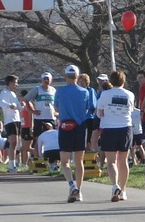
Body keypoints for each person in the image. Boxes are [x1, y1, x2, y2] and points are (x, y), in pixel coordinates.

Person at [56, 64, 96, 202]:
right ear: (78, 76)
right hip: (80, 126)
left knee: (65, 161)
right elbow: (87, 109)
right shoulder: (84, 92)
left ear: (66, 76)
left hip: (65, 126)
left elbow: (56, 107)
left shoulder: (60, 92)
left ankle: (71, 185)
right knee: (79, 160)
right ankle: (79, 190)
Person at [95, 70, 134, 201]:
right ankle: (123, 190)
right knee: (123, 161)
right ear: (124, 81)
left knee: (111, 161)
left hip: (109, 128)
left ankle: (114, 185)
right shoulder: (130, 95)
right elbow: (131, 110)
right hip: (125, 128)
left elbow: (99, 112)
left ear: (110, 81)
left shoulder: (105, 94)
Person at [0, 75, 23, 173]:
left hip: (17, 120)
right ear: (10, 82)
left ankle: (13, 164)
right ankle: (11, 166)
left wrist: (21, 105)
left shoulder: (13, 94)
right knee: (12, 142)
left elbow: (18, 107)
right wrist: (9, 105)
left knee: (16, 143)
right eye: (15, 82)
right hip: (10, 120)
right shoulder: (4, 92)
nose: (17, 84)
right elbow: (1, 103)